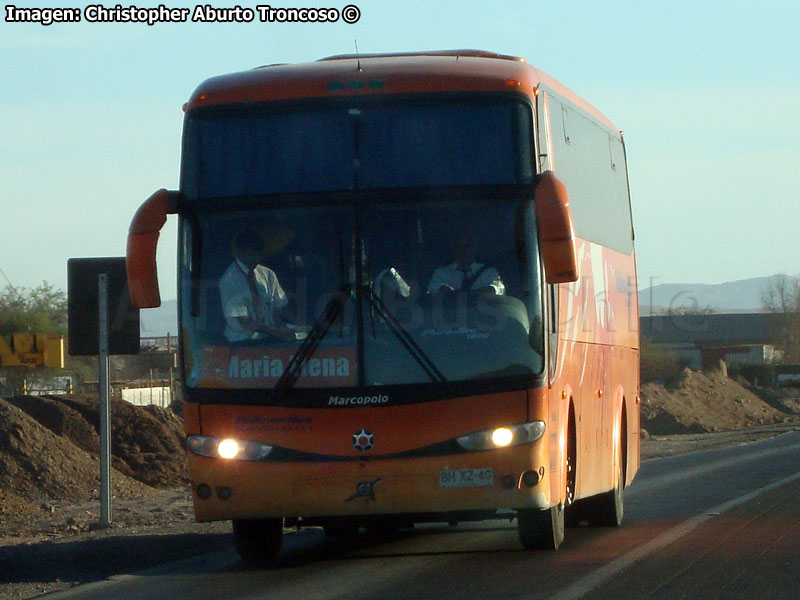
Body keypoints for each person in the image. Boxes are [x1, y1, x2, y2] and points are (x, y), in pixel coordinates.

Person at [219, 228, 295, 343]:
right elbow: (243, 321)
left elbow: (283, 307)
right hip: (240, 344)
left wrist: (302, 326)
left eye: (258, 254)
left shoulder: (267, 274)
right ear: (239, 253)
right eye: (251, 254)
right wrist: (275, 331)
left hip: (268, 341)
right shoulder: (229, 280)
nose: (256, 258)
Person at [427, 233, 505, 295]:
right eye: (459, 246)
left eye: (467, 246)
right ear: (454, 249)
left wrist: (491, 290)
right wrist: (441, 289)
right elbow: (431, 289)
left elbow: (500, 289)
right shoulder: (441, 273)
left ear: (475, 250)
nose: (463, 250)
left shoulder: (488, 272)